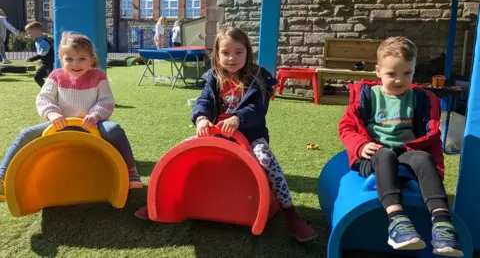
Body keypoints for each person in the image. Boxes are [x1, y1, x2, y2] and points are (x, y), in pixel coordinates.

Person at [134, 27, 318, 242]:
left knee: (266, 159)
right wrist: (201, 118)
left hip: (249, 135)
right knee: (179, 151)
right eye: (226, 52)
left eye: (238, 52)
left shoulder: (258, 77)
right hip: (216, 134)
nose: (232, 58)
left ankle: (290, 213)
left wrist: (237, 117)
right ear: (217, 54)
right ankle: (162, 201)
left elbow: (258, 108)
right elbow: (203, 101)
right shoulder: (214, 76)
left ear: (247, 52)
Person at [338, 36, 463, 256]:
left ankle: (442, 224)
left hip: (406, 153)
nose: (399, 80)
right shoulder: (367, 96)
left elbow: (431, 139)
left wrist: (436, 171)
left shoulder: (419, 99)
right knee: (385, 154)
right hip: (373, 154)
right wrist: (360, 145)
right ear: (378, 71)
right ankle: (396, 220)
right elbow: (346, 128)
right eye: (391, 74)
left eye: (407, 73)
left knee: (423, 158)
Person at [0, 32, 143, 201]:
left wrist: (95, 115)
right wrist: (53, 114)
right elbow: (44, 98)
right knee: (25, 134)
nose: (75, 64)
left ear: (91, 59)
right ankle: (2, 175)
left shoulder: (98, 76)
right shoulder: (56, 76)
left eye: (82, 59)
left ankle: (131, 170)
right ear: (61, 60)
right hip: (61, 123)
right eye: (69, 59)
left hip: (92, 123)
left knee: (114, 130)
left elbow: (106, 101)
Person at [25, 21, 55, 87]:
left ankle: (53, 92)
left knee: (51, 79)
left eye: (29, 33)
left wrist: (31, 59)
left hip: (51, 64)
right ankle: (46, 91)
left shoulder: (44, 42)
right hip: (45, 64)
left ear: (38, 32)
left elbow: (42, 54)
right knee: (37, 77)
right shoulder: (38, 41)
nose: (28, 35)